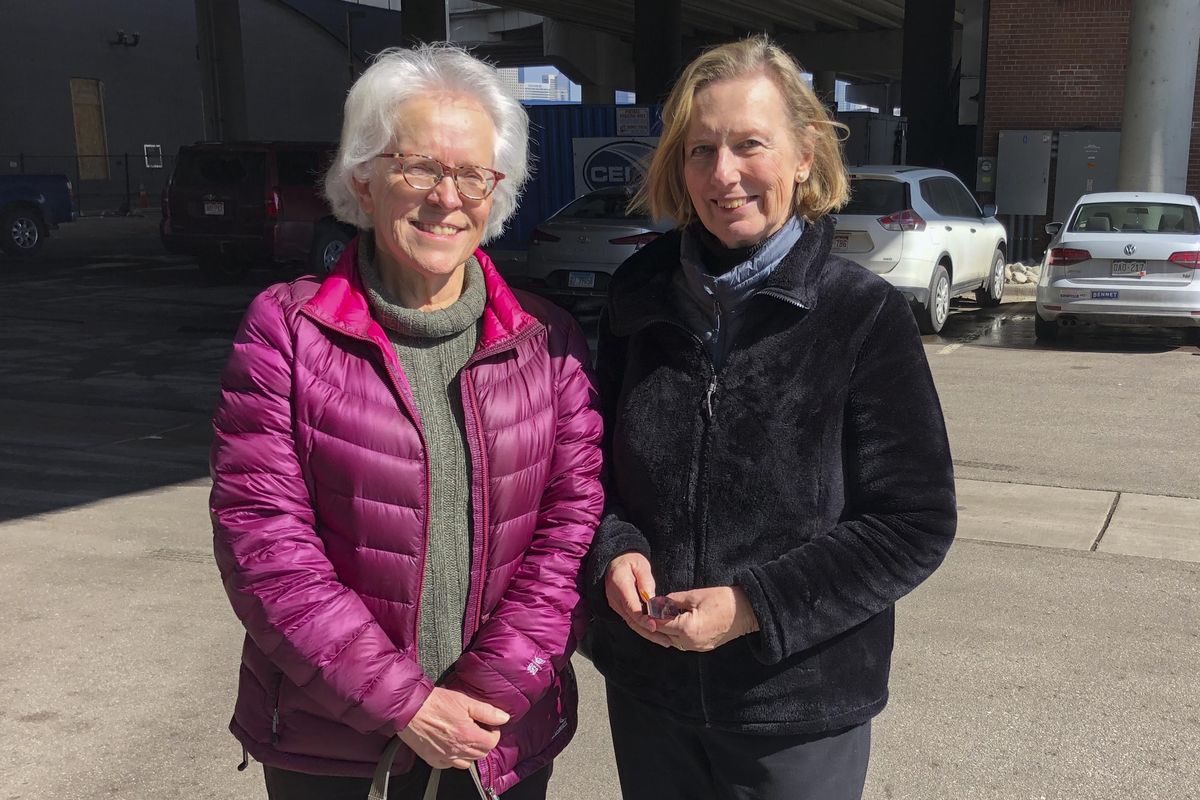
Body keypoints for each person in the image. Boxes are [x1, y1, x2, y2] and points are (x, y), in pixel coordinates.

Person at [210, 44, 603, 800]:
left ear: (500, 190)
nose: (446, 197)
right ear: (363, 175)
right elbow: (265, 547)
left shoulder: (549, 341)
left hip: (498, 734)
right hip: (333, 746)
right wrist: (408, 704)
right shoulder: (286, 333)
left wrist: (484, 696)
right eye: (419, 166)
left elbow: (572, 528)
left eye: (471, 175)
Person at [584, 36, 957, 800]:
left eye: (749, 144)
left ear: (803, 154)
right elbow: (588, 466)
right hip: (651, 694)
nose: (723, 175)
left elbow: (913, 521)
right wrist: (614, 548)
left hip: (798, 707)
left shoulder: (861, 314)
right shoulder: (639, 294)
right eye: (700, 150)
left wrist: (755, 605)